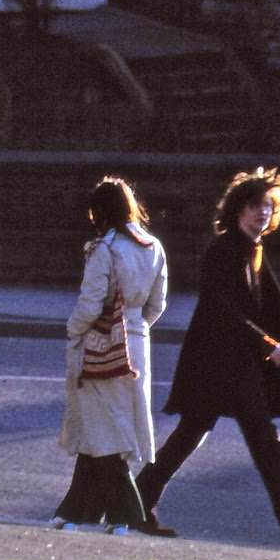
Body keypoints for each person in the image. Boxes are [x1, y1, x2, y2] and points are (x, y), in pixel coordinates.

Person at [135, 167, 280, 547]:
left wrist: (277, 338)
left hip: (231, 362)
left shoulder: (252, 249)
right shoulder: (225, 250)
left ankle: (136, 503)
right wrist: (268, 345)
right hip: (219, 364)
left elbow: (270, 305)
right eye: (253, 206)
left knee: (195, 434)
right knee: (259, 436)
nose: (262, 213)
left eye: (267, 206)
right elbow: (223, 311)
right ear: (237, 210)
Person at [53, 177, 171, 536]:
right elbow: (158, 304)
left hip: (101, 342)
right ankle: (74, 512)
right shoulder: (154, 247)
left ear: (99, 212)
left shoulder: (104, 249)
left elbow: (91, 303)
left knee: (104, 429)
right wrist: (136, 327)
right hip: (137, 341)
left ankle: (126, 512)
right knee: (105, 426)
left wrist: (74, 330)